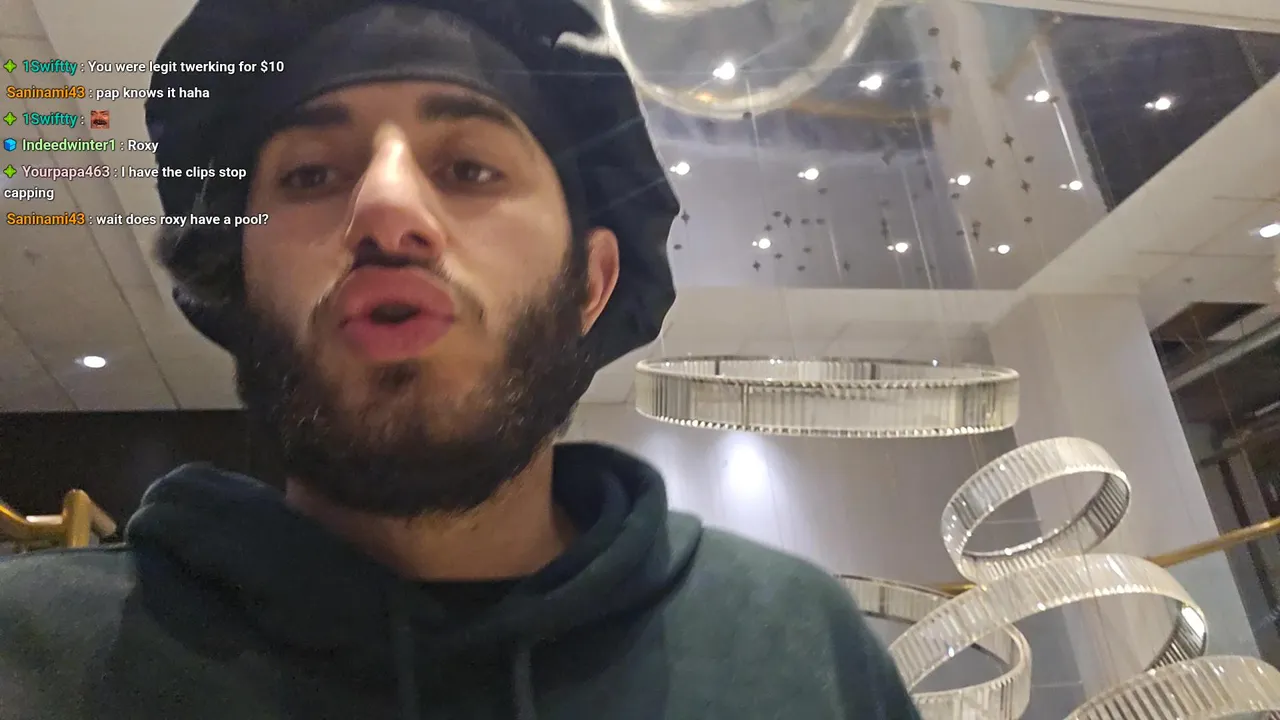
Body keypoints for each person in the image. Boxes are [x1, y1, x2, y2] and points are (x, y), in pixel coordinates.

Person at [0, 2, 921, 718]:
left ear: (590, 283)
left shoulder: (799, 651)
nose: (385, 208)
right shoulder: (32, 655)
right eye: (312, 174)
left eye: (471, 169)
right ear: (238, 281)